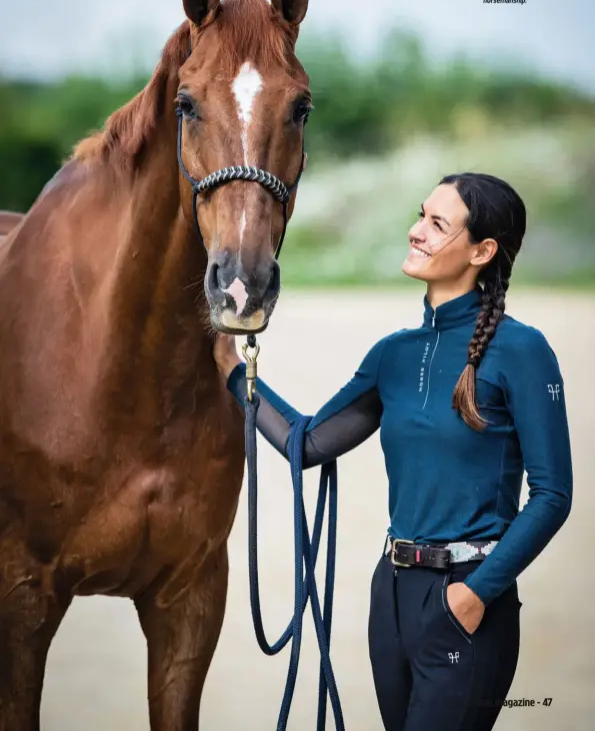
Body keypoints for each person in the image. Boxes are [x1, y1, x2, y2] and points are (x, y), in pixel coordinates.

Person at [212, 171, 573, 731]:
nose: (416, 231)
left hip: (467, 600)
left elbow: (553, 496)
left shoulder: (523, 351)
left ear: (483, 250)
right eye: (420, 215)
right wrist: (237, 372)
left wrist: (473, 597)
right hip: (393, 596)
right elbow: (305, 444)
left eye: (437, 224)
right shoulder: (392, 355)